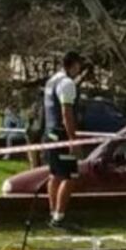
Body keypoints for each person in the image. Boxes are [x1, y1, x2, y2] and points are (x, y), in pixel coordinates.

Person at [43, 51, 83, 229]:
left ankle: (53, 213)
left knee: (55, 175)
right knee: (70, 176)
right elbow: (67, 113)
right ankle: (59, 217)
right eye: (78, 66)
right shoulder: (67, 83)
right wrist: (73, 140)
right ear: (73, 65)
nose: (79, 70)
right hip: (61, 135)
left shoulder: (52, 81)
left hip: (50, 133)